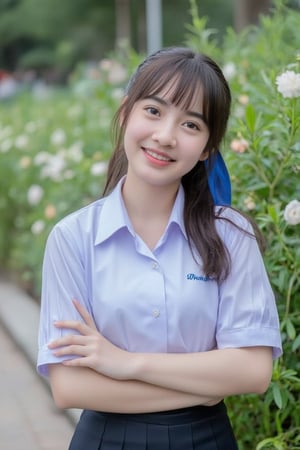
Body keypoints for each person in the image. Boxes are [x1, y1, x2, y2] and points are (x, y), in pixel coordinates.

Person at [37, 47, 282, 450]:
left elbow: (252, 371)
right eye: (153, 111)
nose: (165, 136)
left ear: (206, 147)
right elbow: (70, 386)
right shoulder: (73, 237)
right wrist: (205, 387)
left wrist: (124, 362)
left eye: (190, 124)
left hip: (207, 441)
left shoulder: (230, 235)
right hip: (104, 440)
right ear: (125, 113)